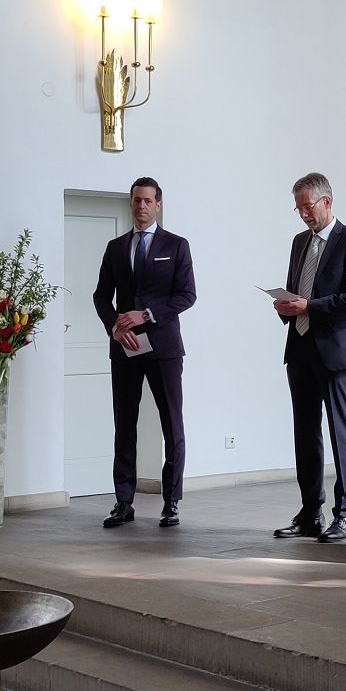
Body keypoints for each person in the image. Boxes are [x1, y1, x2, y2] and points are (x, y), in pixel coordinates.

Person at [272, 174, 346, 542]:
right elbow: (296, 289)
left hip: (335, 350)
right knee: (305, 433)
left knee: (340, 431)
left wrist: (310, 306)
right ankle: (310, 512)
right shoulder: (300, 242)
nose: (303, 214)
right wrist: (285, 306)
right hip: (299, 347)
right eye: (298, 208)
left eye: (307, 206)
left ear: (327, 202)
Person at [92, 177, 196, 528]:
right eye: (136, 200)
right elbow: (101, 295)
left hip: (164, 348)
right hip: (125, 348)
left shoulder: (177, 246)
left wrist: (147, 314)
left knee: (172, 424)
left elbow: (187, 295)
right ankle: (123, 501)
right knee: (124, 424)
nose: (141, 206)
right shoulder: (116, 247)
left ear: (158, 205)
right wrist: (114, 327)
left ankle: (172, 502)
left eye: (148, 201)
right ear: (131, 203)